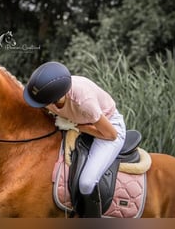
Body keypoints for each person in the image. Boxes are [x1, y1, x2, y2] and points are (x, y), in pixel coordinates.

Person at [23, 61, 126, 217]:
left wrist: (75, 126)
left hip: (107, 127)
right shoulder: (47, 94)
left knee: (86, 183)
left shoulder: (84, 102)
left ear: (55, 97)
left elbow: (111, 135)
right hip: (77, 121)